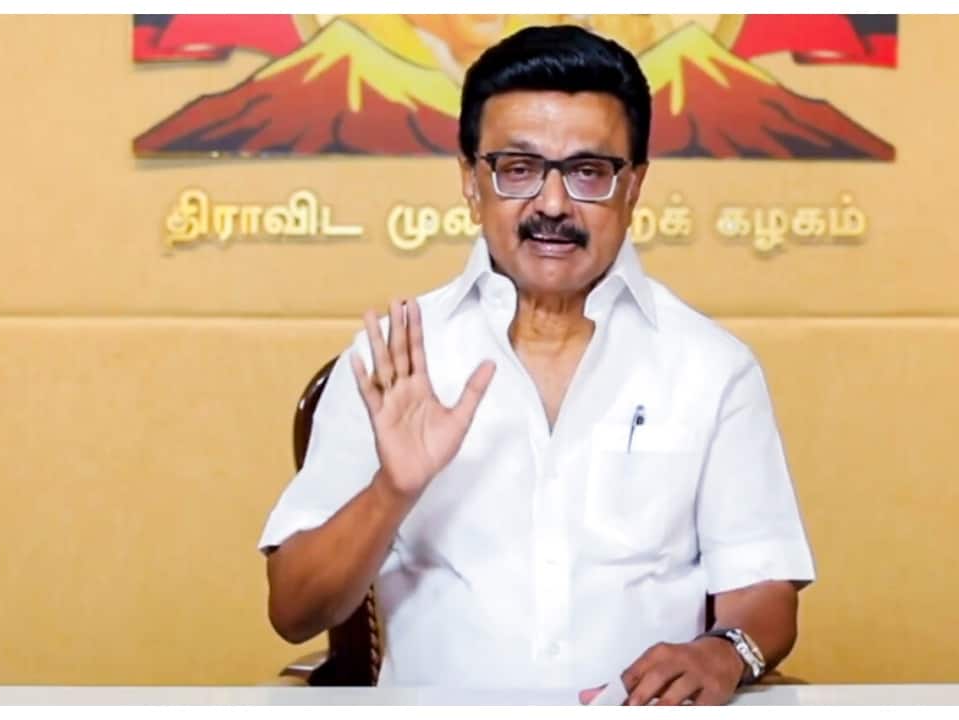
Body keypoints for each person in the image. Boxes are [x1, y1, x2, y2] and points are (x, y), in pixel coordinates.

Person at [259, 24, 815, 705]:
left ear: (634, 186)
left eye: (588, 172)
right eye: (518, 169)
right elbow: (294, 609)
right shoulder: (396, 360)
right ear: (471, 181)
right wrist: (391, 491)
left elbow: (765, 592)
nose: (552, 204)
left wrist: (721, 653)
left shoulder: (712, 367)